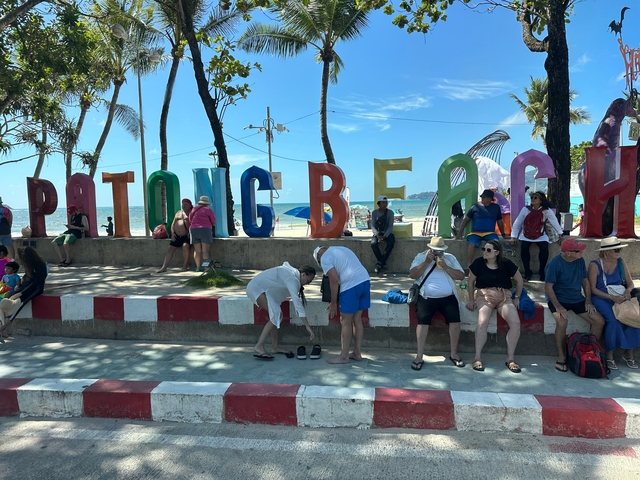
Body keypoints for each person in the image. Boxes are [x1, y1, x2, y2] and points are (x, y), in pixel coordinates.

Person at [545, 238, 604, 372]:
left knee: (599, 321)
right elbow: (548, 287)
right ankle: (562, 356)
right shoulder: (555, 263)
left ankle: (589, 351)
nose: (581, 252)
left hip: (576, 298)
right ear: (568, 253)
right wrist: (558, 307)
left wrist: (588, 300)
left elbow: (585, 281)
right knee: (562, 322)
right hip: (558, 298)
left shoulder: (580, 261)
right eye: (578, 251)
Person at [466, 240, 524, 373]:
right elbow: (470, 281)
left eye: (488, 250)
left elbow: (519, 280)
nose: (485, 252)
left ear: (497, 252)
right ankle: (477, 357)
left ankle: (510, 358)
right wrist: (471, 300)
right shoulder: (479, 263)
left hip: (504, 296)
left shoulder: (506, 264)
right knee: (482, 322)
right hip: (485, 296)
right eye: (484, 249)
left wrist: (517, 297)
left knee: (515, 323)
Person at [409, 236, 466, 371]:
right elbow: (412, 274)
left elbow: (461, 276)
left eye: (440, 251)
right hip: (426, 296)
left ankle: (454, 353)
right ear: (430, 249)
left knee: (455, 321)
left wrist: (446, 267)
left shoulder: (450, 258)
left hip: (448, 296)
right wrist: (426, 262)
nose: (437, 254)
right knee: (422, 321)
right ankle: (419, 356)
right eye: (435, 251)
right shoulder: (421, 257)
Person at [587, 237, 640, 370]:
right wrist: (611, 297)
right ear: (606, 251)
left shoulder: (621, 262)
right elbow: (593, 288)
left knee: (632, 317)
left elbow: (630, 283)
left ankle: (629, 352)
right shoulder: (595, 265)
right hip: (601, 297)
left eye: (620, 249)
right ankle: (609, 353)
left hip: (620, 296)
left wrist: (628, 291)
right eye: (616, 249)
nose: (619, 252)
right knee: (613, 320)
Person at [313, 245, 370, 364]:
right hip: (365, 281)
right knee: (357, 319)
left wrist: (333, 302)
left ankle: (344, 356)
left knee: (345, 321)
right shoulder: (340, 248)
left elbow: (333, 279)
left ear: (318, 256)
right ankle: (357, 353)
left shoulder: (324, 258)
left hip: (351, 285)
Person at [247, 263, 316, 359]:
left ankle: (275, 347)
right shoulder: (292, 279)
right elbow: (298, 305)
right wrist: (307, 326)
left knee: (276, 315)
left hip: (264, 291)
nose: (307, 284)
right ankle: (259, 346)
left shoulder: (292, 274)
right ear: (303, 274)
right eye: (308, 281)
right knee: (276, 315)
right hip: (257, 288)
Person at [510, 191, 563, 281]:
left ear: (541, 200)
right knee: (524, 247)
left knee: (544, 248)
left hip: (540, 235)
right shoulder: (525, 209)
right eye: (532, 198)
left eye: (535, 198)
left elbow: (554, 222)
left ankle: (542, 271)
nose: (533, 199)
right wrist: (513, 236)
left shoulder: (546, 210)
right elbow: (517, 223)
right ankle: (527, 271)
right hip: (526, 235)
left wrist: (560, 234)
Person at [0, 247, 47, 338]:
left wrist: (21, 293)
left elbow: (36, 283)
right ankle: (3, 329)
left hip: (35, 289)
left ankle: (3, 328)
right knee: (6, 304)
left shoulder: (40, 265)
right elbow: (26, 278)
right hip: (25, 287)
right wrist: (19, 287)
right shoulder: (30, 265)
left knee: (18, 305)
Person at [455, 189, 507, 267]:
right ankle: (470, 264)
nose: (482, 198)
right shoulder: (475, 207)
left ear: (490, 199)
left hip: (490, 233)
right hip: (475, 233)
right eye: (481, 197)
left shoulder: (496, 207)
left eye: (484, 197)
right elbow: (466, 220)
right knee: (471, 244)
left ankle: (494, 264)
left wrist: (503, 233)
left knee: (495, 244)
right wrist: (459, 233)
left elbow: (500, 221)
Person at [158, 199, 193, 273]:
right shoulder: (178, 213)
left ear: (190, 205)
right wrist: (173, 233)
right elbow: (173, 224)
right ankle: (164, 267)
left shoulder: (191, 213)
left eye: (185, 204)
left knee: (185, 247)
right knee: (170, 249)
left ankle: (185, 265)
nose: (183, 205)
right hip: (176, 235)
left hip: (186, 235)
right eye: (182, 204)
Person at [189, 196, 216, 272]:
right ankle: (206, 268)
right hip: (205, 230)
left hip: (194, 229)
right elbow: (213, 221)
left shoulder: (194, 209)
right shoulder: (208, 210)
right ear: (207, 204)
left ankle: (197, 267)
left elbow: (190, 219)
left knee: (197, 251)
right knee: (205, 250)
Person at [371, 195, 395, 273]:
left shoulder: (390, 213)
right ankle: (382, 263)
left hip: (387, 233)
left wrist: (384, 237)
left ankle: (380, 263)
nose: (385, 204)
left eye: (386, 203)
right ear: (379, 204)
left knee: (391, 243)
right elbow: (373, 225)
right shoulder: (374, 213)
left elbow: (390, 226)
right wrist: (377, 235)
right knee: (373, 244)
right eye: (383, 203)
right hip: (377, 233)